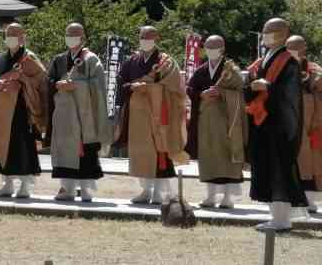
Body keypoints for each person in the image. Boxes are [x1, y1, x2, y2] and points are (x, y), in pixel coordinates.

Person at [244, 18, 309, 231]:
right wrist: (250, 85)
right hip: (263, 123)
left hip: (279, 126)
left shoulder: (288, 62)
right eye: (264, 31)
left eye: (269, 31)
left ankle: (282, 220)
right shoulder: (264, 59)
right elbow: (251, 86)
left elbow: (290, 95)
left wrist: (269, 87)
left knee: (279, 171)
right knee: (266, 170)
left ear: (282, 34)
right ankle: (275, 217)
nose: (264, 35)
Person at [115, 26, 189, 205]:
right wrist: (131, 87)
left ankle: (159, 192)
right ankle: (145, 190)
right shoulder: (132, 61)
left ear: (157, 39)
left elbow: (174, 86)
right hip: (137, 114)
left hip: (159, 113)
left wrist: (147, 87)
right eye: (142, 37)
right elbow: (121, 81)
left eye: (149, 37)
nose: (145, 41)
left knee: (159, 150)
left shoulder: (165, 61)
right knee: (141, 152)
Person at [47, 23, 111, 202]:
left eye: (74, 34)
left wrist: (76, 86)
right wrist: (57, 84)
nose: (71, 37)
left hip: (84, 115)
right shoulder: (59, 59)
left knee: (85, 151)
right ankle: (67, 188)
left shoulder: (91, 59)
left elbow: (98, 85)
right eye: (68, 34)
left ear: (82, 37)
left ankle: (86, 189)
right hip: (64, 113)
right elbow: (49, 80)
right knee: (64, 149)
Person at [0, 23, 48, 199]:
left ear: (22, 38)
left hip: (22, 110)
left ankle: (25, 185)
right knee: (3, 146)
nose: (10, 37)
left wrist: (22, 78)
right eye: (8, 34)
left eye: (14, 34)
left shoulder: (29, 58)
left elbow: (42, 80)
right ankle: (7, 184)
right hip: (2, 111)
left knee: (23, 146)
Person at [185, 35, 247, 209]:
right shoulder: (201, 70)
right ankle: (210, 196)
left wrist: (223, 93)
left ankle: (228, 197)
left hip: (227, 121)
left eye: (215, 47)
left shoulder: (231, 70)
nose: (211, 51)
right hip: (206, 121)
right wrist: (201, 94)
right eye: (208, 47)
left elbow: (241, 93)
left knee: (227, 158)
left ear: (222, 49)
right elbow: (190, 89)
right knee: (208, 157)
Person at [288, 35, 322, 213]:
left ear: (304, 49)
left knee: (311, 163)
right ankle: (289, 200)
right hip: (288, 122)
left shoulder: (313, 68)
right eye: (290, 48)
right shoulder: (281, 66)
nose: (293, 51)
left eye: (297, 47)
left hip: (311, 123)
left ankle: (310, 201)